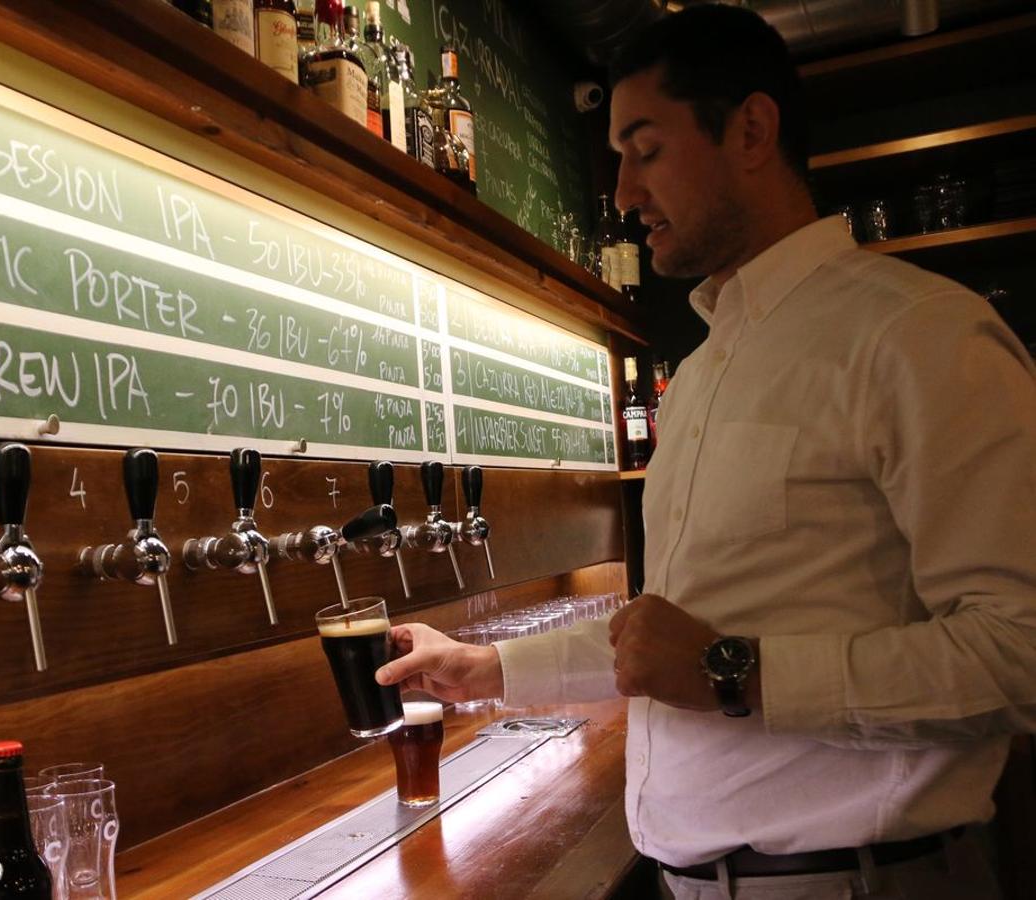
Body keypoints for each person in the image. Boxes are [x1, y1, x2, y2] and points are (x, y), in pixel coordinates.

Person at [375, 6, 1036, 899]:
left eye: (645, 149)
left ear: (752, 130)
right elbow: (661, 641)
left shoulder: (920, 335)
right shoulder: (706, 367)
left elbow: (1019, 654)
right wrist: (485, 670)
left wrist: (739, 673)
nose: (619, 193)